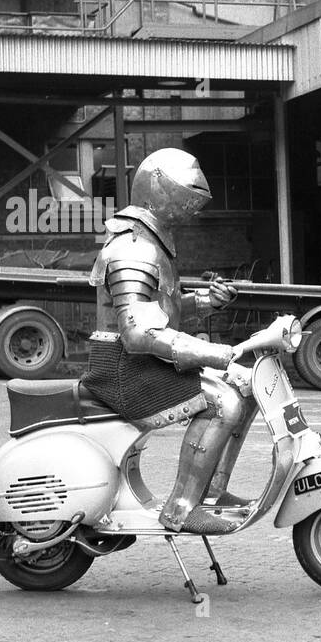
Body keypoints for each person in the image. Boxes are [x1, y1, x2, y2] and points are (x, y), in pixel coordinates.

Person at [81, 148, 249, 536]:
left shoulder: (150, 242)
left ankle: (210, 491)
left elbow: (160, 313)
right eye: (188, 197)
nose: (193, 208)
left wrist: (206, 301)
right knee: (222, 402)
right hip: (123, 371)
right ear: (158, 187)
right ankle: (181, 509)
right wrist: (217, 354)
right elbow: (139, 335)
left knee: (246, 385)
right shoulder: (133, 248)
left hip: (136, 363)